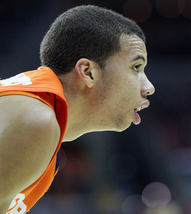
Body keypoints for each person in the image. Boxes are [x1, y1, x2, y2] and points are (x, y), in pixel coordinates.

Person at [0, 5, 155, 214]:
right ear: (88, 72)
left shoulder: (35, 110)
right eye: (136, 67)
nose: (149, 87)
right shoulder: (36, 120)